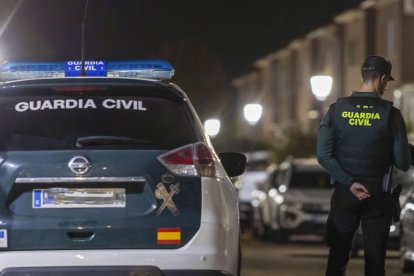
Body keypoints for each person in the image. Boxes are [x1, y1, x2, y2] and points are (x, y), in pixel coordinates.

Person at [317, 55, 411, 276]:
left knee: (337, 257)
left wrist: (350, 183)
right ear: (382, 78)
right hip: (379, 194)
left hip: (345, 193)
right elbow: (403, 163)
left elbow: (323, 156)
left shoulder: (335, 110)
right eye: (387, 82)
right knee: (376, 261)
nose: (386, 87)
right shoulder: (392, 115)